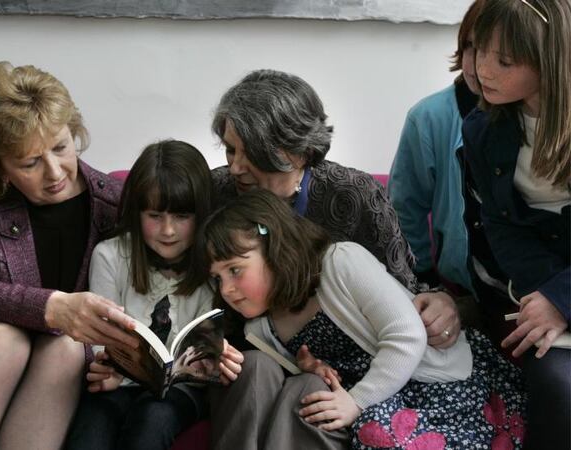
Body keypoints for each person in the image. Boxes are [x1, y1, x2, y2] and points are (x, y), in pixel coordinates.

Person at [207, 70, 461, 450]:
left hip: (356, 371)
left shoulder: (353, 197)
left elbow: (401, 295)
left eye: (251, 153)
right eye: (230, 150)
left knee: (309, 389)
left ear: (298, 151)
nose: (236, 166)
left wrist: (442, 300)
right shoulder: (217, 192)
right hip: (255, 355)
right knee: (257, 368)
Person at [200, 189, 525, 450]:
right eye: (217, 278)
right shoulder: (260, 329)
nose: (227, 289)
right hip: (371, 397)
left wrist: (357, 400)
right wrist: (314, 370)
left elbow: (408, 336)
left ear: (275, 250)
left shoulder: (341, 262)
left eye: (235, 270)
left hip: (432, 383)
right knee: (310, 395)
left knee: (376, 430)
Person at [0, 62, 138, 450]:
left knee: (65, 346)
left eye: (60, 147)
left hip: (71, 366)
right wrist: (53, 308)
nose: (55, 171)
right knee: (5, 339)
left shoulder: (116, 204)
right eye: (30, 162)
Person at [65, 140, 243, 450]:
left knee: (153, 416)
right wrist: (106, 370)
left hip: (183, 391)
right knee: (94, 422)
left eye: (182, 217)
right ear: (137, 212)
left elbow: (207, 354)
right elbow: (96, 342)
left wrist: (217, 355)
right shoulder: (110, 256)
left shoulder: (214, 268)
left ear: (200, 215)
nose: (168, 231)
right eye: (155, 216)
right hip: (117, 384)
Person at [462, 1, 570, 448]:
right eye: (480, 51)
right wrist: (546, 298)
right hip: (539, 291)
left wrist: (562, 298)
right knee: (557, 387)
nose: (483, 70)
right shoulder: (481, 129)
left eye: (504, 61)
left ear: (550, 60)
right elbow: (501, 228)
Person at [389, 0, 484, 294]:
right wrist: (426, 281)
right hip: (461, 288)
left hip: (539, 291)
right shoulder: (430, 117)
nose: (476, 65)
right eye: (470, 46)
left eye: (501, 55)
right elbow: (404, 209)